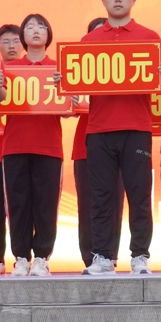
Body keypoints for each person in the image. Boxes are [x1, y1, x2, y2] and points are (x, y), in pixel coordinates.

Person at [82, 0, 161, 275]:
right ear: (103, 0)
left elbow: (160, 85)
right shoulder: (89, 41)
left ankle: (140, 255)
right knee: (101, 197)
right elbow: (79, 82)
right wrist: (65, 80)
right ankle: (103, 256)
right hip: (99, 129)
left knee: (139, 196)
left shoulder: (149, 37)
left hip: (136, 128)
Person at [2, 14, 64, 276]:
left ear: (48, 34)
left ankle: (41, 257)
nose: (35, 30)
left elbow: (71, 109)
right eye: (29, 27)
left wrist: (67, 91)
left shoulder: (59, 68)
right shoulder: (9, 69)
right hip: (14, 145)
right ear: (22, 37)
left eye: (41, 26)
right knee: (18, 204)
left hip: (49, 146)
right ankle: (20, 257)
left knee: (46, 204)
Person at [0, 24, 23, 275]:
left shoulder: (30, 76)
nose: (11, 46)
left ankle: (23, 256)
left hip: (17, 150)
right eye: (6, 42)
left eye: (16, 41)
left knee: (20, 207)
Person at [72, 16, 109, 270]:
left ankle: (109, 254)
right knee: (87, 205)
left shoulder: (123, 70)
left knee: (112, 203)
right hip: (84, 145)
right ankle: (89, 256)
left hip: (114, 142)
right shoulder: (79, 70)